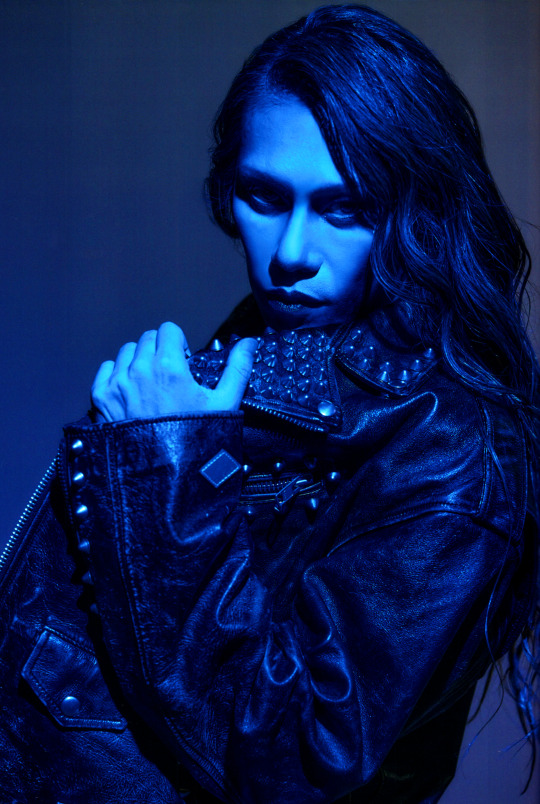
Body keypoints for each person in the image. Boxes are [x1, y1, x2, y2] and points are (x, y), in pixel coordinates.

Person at [0, 4, 538, 802]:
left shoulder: (451, 449)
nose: (290, 255)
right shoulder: (283, 358)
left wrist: (165, 458)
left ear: (417, 210)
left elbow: (293, 763)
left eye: (344, 208)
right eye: (263, 197)